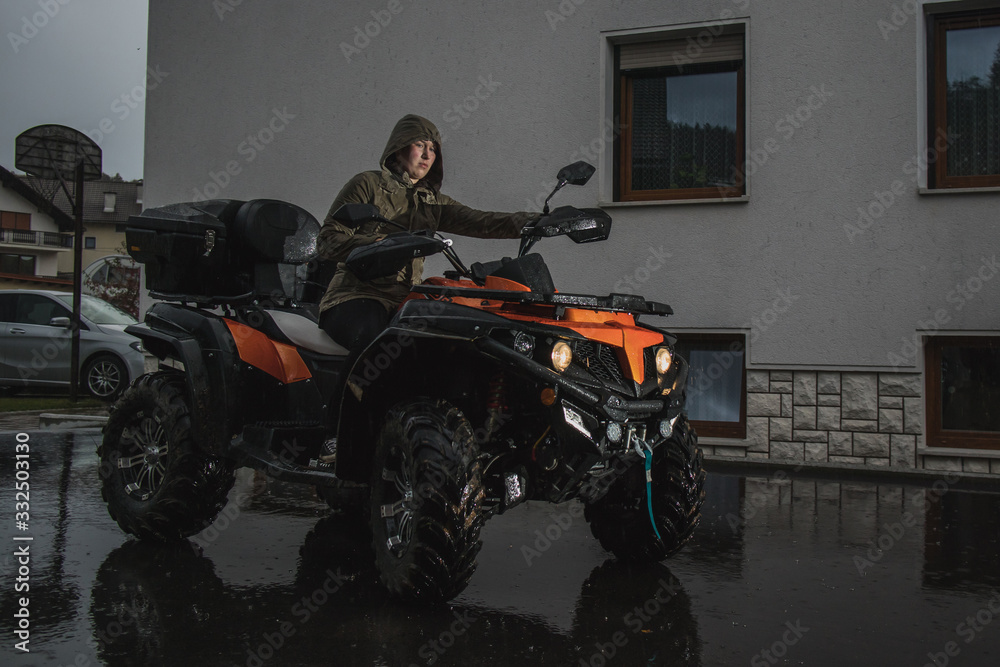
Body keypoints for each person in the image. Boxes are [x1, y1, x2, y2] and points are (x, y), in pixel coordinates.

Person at [316, 114, 537, 353]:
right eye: (420, 145)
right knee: (377, 348)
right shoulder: (368, 184)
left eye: (433, 149)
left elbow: (482, 221)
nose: (427, 155)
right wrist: (379, 243)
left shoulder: (432, 202)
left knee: (446, 349)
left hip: (407, 301)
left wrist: (539, 222)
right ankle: (348, 391)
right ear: (399, 148)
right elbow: (327, 242)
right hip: (355, 296)